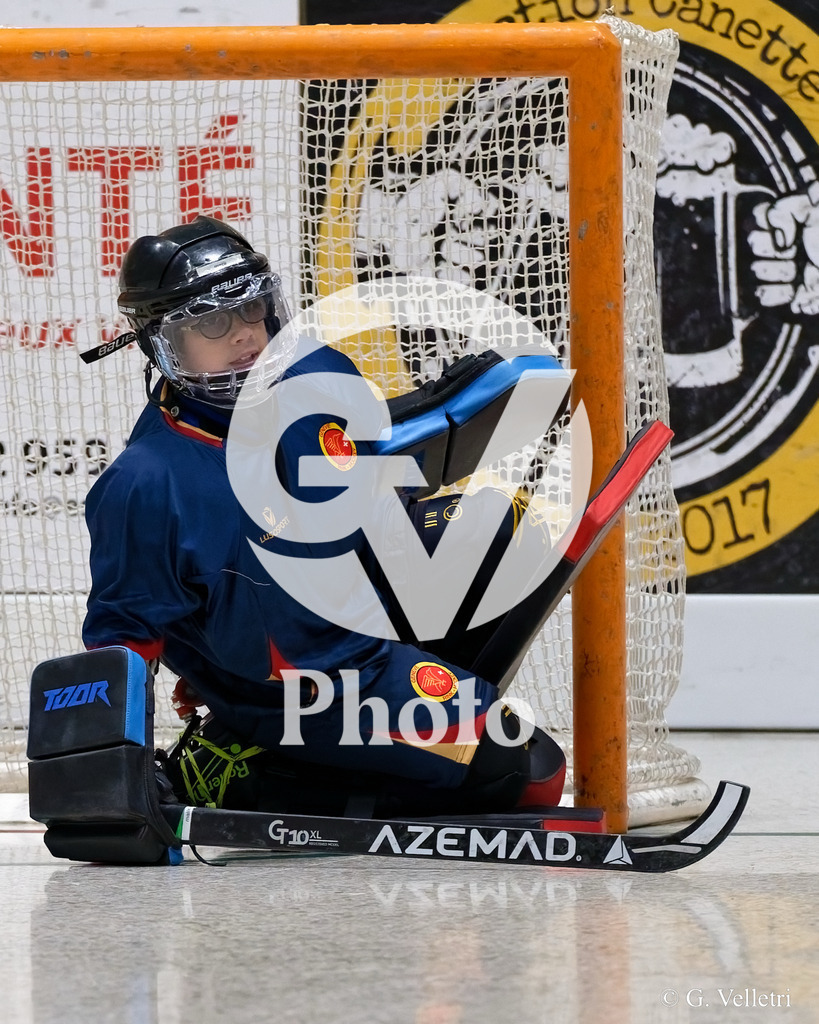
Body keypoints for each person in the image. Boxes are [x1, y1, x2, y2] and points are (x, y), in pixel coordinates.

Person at [82, 214, 571, 820]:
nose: (243, 335)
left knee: (505, 525)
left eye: (253, 308)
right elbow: (123, 639)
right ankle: (237, 767)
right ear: (163, 345)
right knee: (534, 773)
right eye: (212, 321)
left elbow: (372, 482)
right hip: (305, 691)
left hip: (359, 625)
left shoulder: (317, 373)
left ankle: (408, 731)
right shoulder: (146, 483)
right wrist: (115, 780)